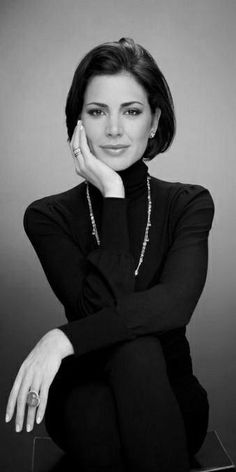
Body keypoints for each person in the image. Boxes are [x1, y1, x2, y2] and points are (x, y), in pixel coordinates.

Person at [5, 37, 215, 472]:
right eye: (97, 112)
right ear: (77, 122)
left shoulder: (189, 203)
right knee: (101, 397)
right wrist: (113, 193)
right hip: (85, 392)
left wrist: (62, 338)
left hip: (170, 396)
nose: (114, 129)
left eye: (131, 111)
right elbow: (93, 307)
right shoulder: (48, 216)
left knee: (138, 352)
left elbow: (175, 305)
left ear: (154, 121)